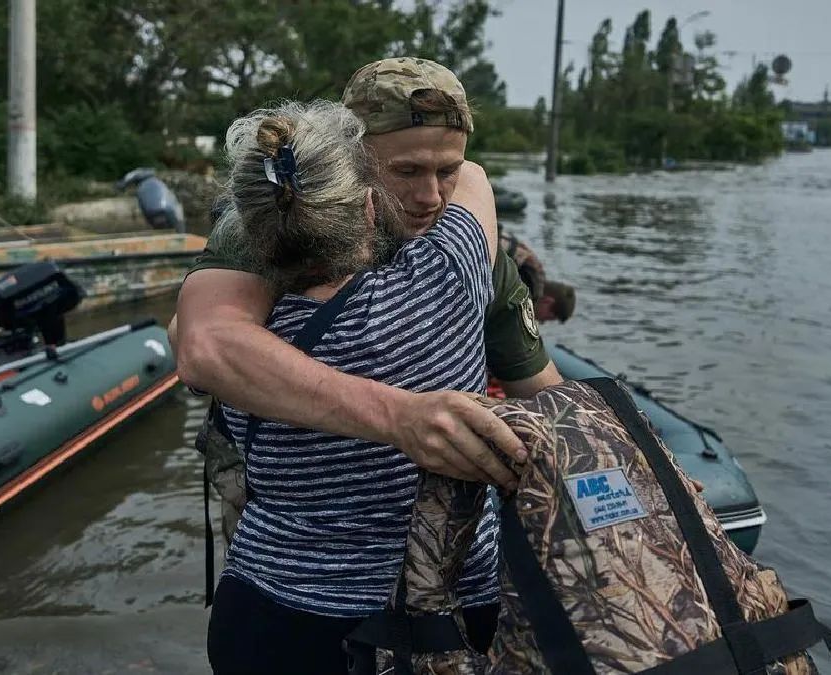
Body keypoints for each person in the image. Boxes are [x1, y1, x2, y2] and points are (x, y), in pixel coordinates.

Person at [170, 57, 564, 539]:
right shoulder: (271, 222)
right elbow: (206, 347)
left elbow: (542, 390)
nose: (431, 196)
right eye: (406, 171)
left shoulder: (469, 249)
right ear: (349, 156)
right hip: (291, 528)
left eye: (448, 172)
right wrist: (400, 416)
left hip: (431, 550)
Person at [203, 99, 509, 674]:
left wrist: (293, 167)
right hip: (414, 631)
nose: (428, 192)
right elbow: (474, 179)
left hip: (262, 617)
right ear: (370, 208)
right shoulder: (442, 283)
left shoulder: (239, 342)